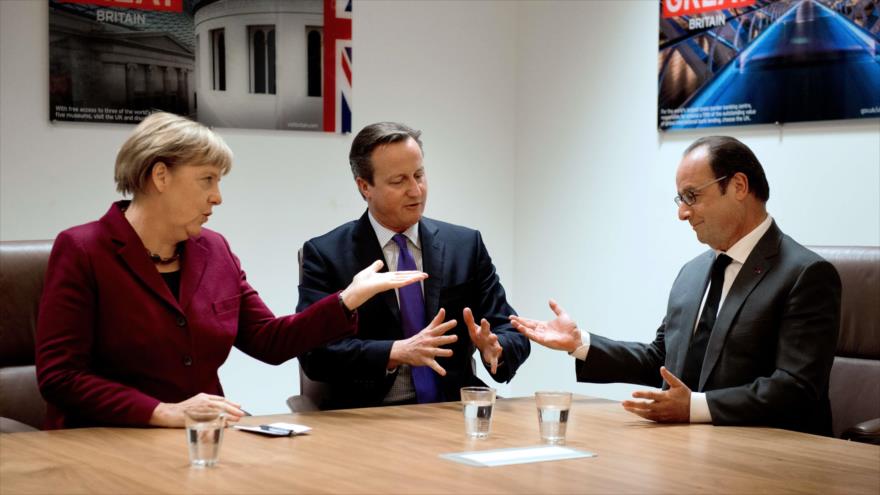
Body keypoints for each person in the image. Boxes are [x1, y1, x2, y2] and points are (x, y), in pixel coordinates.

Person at [35, 112, 427, 429]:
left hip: (205, 440)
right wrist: (161, 411)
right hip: (105, 441)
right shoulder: (83, 250)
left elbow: (269, 342)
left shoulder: (215, 250)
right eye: (207, 180)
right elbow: (60, 377)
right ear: (160, 176)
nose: (217, 197)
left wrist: (347, 299)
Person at [511, 136, 841, 435]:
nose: (683, 213)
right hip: (689, 449)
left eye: (692, 196)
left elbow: (796, 389)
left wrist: (695, 407)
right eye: (680, 199)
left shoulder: (805, 274)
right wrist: (580, 342)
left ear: (739, 186)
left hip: (774, 458)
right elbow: (661, 358)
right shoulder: (693, 273)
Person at [296, 122, 530, 409]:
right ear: (365, 186)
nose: (415, 190)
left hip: (452, 410)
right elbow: (315, 354)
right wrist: (395, 351)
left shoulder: (465, 245)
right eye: (399, 181)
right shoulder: (327, 254)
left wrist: (497, 347)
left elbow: (511, 328)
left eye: (419, 175)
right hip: (368, 415)